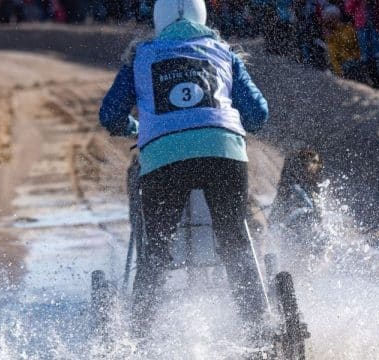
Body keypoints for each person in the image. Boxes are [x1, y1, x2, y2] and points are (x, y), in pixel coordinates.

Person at [97, 0, 270, 340]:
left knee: (155, 253)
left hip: (164, 157)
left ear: (158, 20)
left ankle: (138, 337)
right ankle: (260, 330)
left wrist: (137, 129)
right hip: (223, 152)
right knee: (234, 241)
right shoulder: (222, 51)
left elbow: (109, 116)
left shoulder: (141, 56)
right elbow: (258, 115)